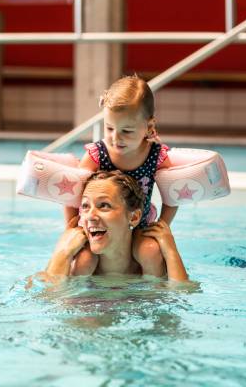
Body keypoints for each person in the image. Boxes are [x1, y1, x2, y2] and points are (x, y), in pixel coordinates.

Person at [65, 75, 176, 278]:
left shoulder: (156, 155)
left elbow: (173, 193)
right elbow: (72, 191)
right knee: (83, 261)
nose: (116, 138)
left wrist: (163, 225)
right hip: (99, 224)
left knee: (150, 252)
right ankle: (77, 300)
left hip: (138, 223)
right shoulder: (97, 154)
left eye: (126, 130)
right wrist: (71, 224)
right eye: (109, 128)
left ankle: (154, 297)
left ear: (149, 127)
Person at [49, 171, 188, 282]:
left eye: (104, 205)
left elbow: (181, 297)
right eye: (85, 206)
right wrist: (63, 252)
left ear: (134, 217)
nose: (90, 216)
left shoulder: (149, 261)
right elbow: (44, 298)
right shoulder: (81, 264)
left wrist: (171, 252)